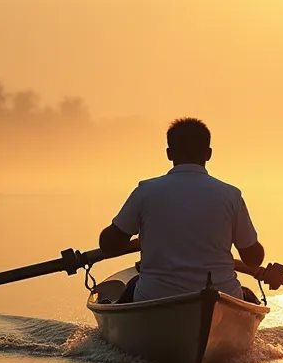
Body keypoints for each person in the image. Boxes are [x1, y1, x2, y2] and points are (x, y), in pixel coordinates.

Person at [99, 118, 265, 304]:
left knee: (132, 286)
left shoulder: (145, 192)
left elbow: (108, 244)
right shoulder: (231, 195)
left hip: (155, 296)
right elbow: (253, 259)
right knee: (248, 296)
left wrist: (144, 240)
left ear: (169, 154)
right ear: (208, 154)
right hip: (222, 295)